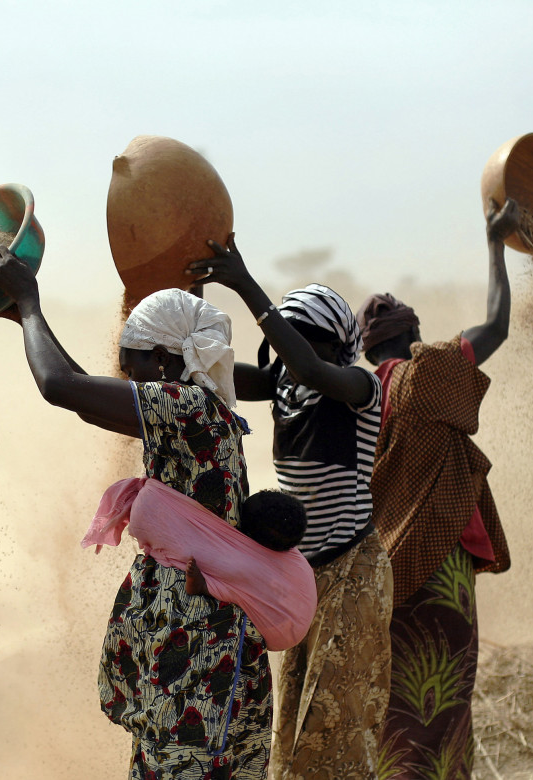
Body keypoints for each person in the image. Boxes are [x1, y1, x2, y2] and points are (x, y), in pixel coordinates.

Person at [0, 250, 271, 779]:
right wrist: (23, 317)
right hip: (194, 640)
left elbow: (60, 388)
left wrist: (29, 305)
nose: (126, 377)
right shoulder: (197, 411)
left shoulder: (189, 409)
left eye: (131, 363)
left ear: (163, 361)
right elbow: (83, 398)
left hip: (200, 651)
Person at [190, 237, 393, 780]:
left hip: (354, 573)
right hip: (303, 574)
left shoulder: (358, 388)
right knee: (300, 716)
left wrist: (246, 285)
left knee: (340, 724)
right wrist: (190, 290)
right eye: (286, 341)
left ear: (334, 347)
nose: (287, 353)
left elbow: (309, 368)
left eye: (303, 341)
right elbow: (216, 378)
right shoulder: (286, 383)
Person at [356, 198, 518, 778]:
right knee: (443, 707)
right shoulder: (428, 372)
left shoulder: (350, 394)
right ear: (416, 338)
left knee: (393, 709)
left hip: (373, 574)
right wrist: (495, 241)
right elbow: (497, 323)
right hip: (438, 569)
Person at [83, 478, 316, 651]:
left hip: (279, 630)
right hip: (296, 619)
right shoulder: (289, 552)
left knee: (233, 579)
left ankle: (203, 586)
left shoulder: (243, 563)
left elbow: (232, 576)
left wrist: (203, 585)